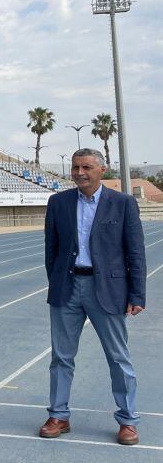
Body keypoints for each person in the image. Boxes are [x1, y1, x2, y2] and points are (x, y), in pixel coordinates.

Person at [40, 148, 146, 445]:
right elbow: (52, 251)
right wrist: (58, 282)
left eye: (86, 167)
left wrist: (137, 293)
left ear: (102, 170)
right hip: (67, 287)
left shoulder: (122, 203)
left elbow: (135, 251)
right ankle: (58, 415)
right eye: (75, 167)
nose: (79, 173)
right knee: (61, 357)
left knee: (118, 357)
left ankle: (127, 420)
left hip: (108, 291)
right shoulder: (58, 202)